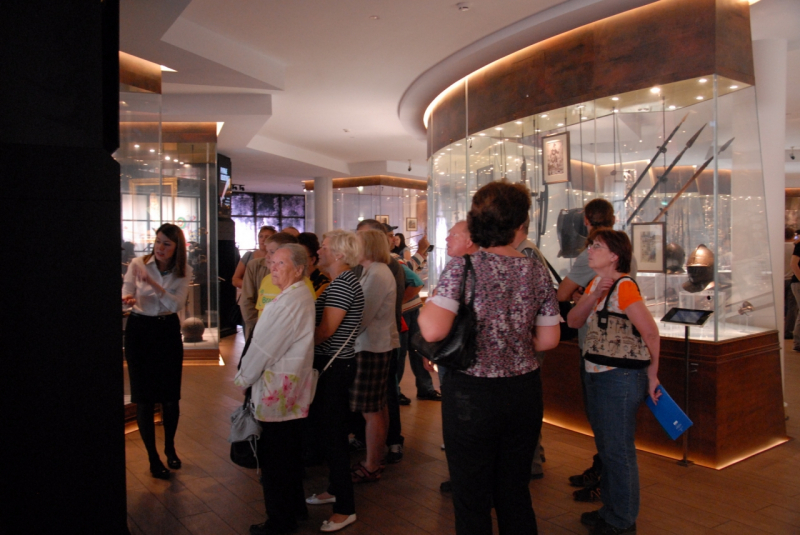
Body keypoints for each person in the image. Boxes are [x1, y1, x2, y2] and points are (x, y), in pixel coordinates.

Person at [419, 181, 560, 535]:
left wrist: (427, 307)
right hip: (524, 390)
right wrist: (513, 337)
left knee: (471, 494)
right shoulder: (536, 269)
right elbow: (548, 339)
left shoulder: (464, 267)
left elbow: (432, 331)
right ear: (519, 223)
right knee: (514, 490)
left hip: (473, 393)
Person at [566, 229, 660, 535]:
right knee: (607, 446)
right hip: (596, 372)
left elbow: (650, 332)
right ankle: (611, 510)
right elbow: (573, 321)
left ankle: (623, 520)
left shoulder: (624, 286)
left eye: (597, 246)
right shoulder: (597, 284)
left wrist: (653, 375)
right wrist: (593, 295)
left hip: (620, 376)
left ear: (615, 256)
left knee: (618, 449)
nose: (590, 251)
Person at [556, 198, 637, 502]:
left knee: (608, 429)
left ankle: (612, 494)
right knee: (606, 428)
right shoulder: (618, 260)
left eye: (596, 248)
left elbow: (563, 294)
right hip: (603, 349)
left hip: (604, 353)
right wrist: (587, 297)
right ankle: (604, 476)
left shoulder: (601, 264)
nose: (590, 251)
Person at [234, 244, 316, 535]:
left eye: (281, 263)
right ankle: (295, 509)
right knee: (288, 453)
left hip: (278, 390)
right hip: (288, 388)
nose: (273, 267)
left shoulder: (289, 302)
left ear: (298, 269)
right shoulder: (297, 295)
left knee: (274, 459)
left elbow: (263, 349)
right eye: (273, 262)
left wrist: (243, 378)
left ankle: (280, 521)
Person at [122, 223, 192, 480]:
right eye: (158, 241)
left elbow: (175, 304)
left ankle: (169, 448)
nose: (160, 248)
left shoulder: (184, 270)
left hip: (167, 330)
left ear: (177, 247)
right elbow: (126, 291)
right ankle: (153, 458)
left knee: (170, 396)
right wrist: (128, 298)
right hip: (139, 330)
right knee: (144, 398)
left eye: (166, 244)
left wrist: (153, 284)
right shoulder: (137, 263)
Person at [305, 230, 364, 533]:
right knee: (329, 432)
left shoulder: (342, 284)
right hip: (336, 365)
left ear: (340, 254)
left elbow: (327, 329)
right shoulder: (342, 281)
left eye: (325, 247)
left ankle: (345, 508)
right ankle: (335, 490)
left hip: (334, 367)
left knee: (333, 435)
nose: (320, 250)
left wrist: (299, 345)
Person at [349, 229, 398, 482]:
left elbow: (361, 316)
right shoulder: (373, 271)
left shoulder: (377, 273)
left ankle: (372, 463)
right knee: (377, 406)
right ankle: (376, 458)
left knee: (371, 410)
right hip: (374, 345)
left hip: (372, 347)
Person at [512, 217, 549, 481]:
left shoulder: (526, 253)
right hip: (530, 337)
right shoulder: (524, 251)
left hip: (529, 339)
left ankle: (532, 461)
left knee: (524, 405)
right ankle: (534, 455)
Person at [240, 232, 297, 341]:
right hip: (259, 330)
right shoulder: (261, 273)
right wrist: (257, 326)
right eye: (266, 251)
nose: (266, 256)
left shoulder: (298, 279)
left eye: (272, 252)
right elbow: (247, 301)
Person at [298, 232, 330, 296]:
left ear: (312, 260)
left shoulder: (323, 284)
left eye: (300, 256)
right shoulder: (295, 280)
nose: (296, 260)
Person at [784, 227, 796, 339]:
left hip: (780, 280)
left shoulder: (779, 248)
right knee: (792, 306)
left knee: (781, 305)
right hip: (792, 278)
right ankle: (788, 330)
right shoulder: (794, 247)